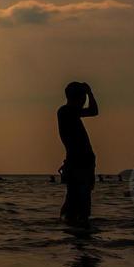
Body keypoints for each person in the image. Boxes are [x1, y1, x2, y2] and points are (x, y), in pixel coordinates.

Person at [57, 81, 98, 227]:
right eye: (82, 98)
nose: (83, 102)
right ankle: (75, 225)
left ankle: (72, 225)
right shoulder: (66, 111)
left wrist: (88, 92)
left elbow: (93, 111)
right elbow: (93, 111)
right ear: (77, 98)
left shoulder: (68, 112)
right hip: (78, 162)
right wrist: (89, 92)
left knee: (76, 197)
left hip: (80, 161)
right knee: (79, 198)